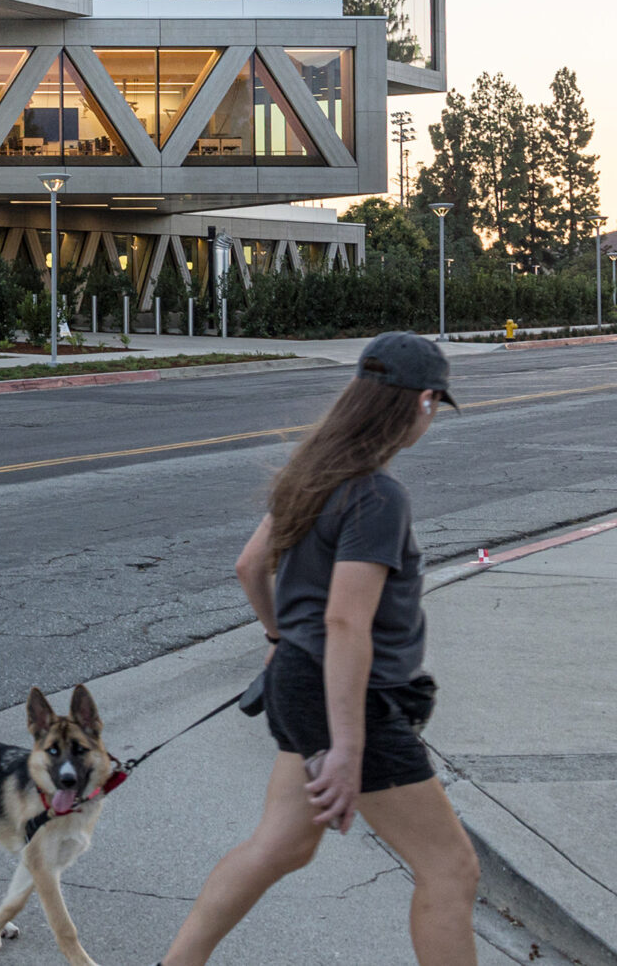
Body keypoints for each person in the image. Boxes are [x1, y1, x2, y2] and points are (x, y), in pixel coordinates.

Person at [157, 333, 479, 966]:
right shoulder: (378, 496)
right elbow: (345, 623)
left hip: (300, 683)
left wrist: (280, 641)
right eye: (435, 403)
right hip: (350, 698)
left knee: (281, 846)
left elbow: (250, 567)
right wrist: (346, 747)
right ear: (419, 402)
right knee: (451, 869)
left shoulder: (310, 476)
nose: (433, 416)